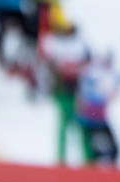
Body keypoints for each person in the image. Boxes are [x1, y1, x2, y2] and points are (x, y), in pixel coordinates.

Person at [38, 10, 90, 164]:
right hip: (62, 91)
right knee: (64, 126)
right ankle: (62, 159)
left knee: (81, 126)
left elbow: (86, 64)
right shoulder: (54, 45)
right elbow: (48, 65)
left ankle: (87, 159)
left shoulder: (78, 45)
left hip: (76, 92)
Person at [75, 51, 120, 167]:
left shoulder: (106, 75)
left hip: (100, 118)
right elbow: (89, 94)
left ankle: (109, 167)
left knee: (114, 149)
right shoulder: (91, 74)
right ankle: (94, 168)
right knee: (94, 148)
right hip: (90, 119)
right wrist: (106, 95)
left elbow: (118, 78)